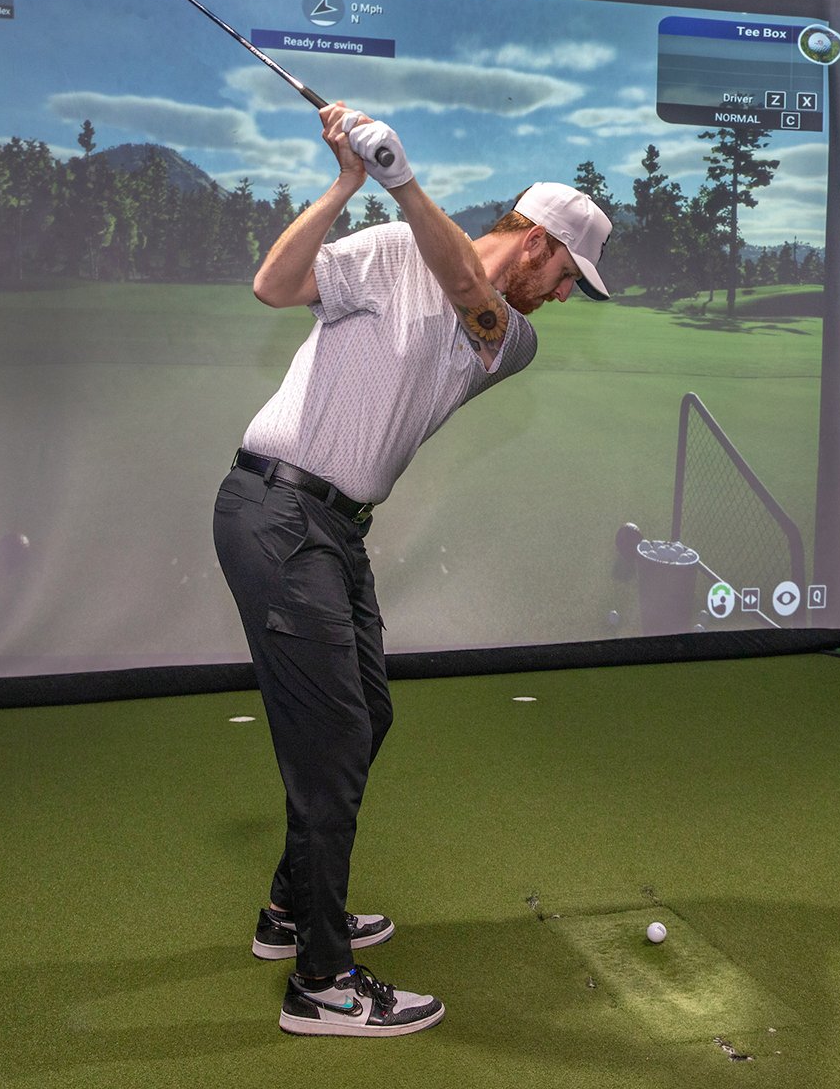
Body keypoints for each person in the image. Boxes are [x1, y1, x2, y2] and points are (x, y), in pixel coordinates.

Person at [212, 102, 612, 1034]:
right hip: (275, 509)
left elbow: (469, 286)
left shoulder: (508, 335)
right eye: (568, 275)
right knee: (333, 737)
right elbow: (274, 286)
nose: (564, 296)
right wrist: (349, 184)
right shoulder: (390, 248)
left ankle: (290, 909)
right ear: (539, 242)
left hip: (334, 530)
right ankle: (322, 982)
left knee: (366, 715)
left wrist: (400, 180)